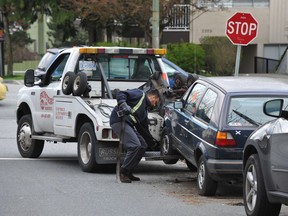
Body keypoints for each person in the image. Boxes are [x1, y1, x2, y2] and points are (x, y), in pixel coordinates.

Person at [110, 88, 160, 183]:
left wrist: (153, 143)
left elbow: (143, 129)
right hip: (119, 120)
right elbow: (121, 93)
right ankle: (123, 172)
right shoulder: (140, 94)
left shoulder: (144, 112)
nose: (155, 105)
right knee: (134, 145)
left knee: (142, 146)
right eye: (156, 102)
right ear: (153, 97)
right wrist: (123, 104)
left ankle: (129, 171)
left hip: (128, 124)